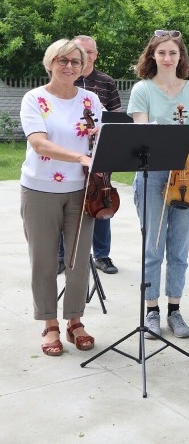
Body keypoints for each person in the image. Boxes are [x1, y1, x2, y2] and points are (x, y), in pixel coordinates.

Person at [20, 39, 101, 356]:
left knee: (79, 262)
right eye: (62, 60)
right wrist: (80, 158)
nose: (69, 66)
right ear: (50, 62)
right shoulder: (34, 99)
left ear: (83, 67)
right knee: (43, 261)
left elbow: (100, 139)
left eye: (76, 62)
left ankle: (75, 322)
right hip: (40, 189)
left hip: (83, 191)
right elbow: (39, 143)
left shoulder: (91, 100)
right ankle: (50, 324)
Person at [127, 30, 189, 339]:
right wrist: (163, 137)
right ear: (152, 56)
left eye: (173, 53)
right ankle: (152, 311)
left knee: (180, 247)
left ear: (180, 57)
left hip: (186, 173)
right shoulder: (142, 90)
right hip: (154, 174)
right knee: (153, 245)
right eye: (161, 52)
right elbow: (141, 130)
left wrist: (184, 139)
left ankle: (175, 310)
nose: (167, 58)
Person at [57, 35, 121, 275]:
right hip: (69, 152)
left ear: (95, 55)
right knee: (67, 203)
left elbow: (115, 117)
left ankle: (102, 255)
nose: (85, 56)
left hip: (98, 152)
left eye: (90, 52)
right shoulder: (63, 77)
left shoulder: (106, 82)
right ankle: (62, 255)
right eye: (80, 51)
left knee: (102, 199)